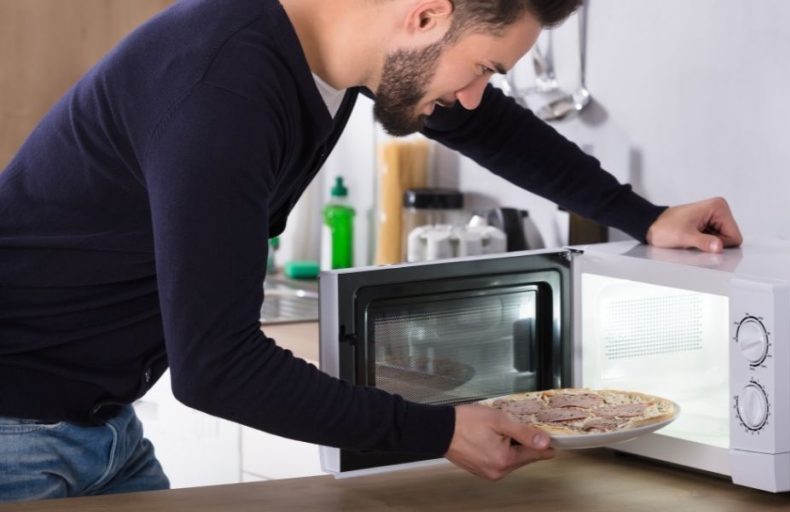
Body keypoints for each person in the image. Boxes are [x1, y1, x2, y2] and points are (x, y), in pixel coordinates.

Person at [0, 0, 743, 501]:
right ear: (425, 14)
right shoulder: (222, 88)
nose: (479, 94)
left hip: (96, 426)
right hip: (16, 436)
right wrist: (440, 430)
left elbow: (488, 127)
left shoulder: (334, 51)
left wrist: (644, 217)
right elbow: (217, 369)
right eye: (485, 68)